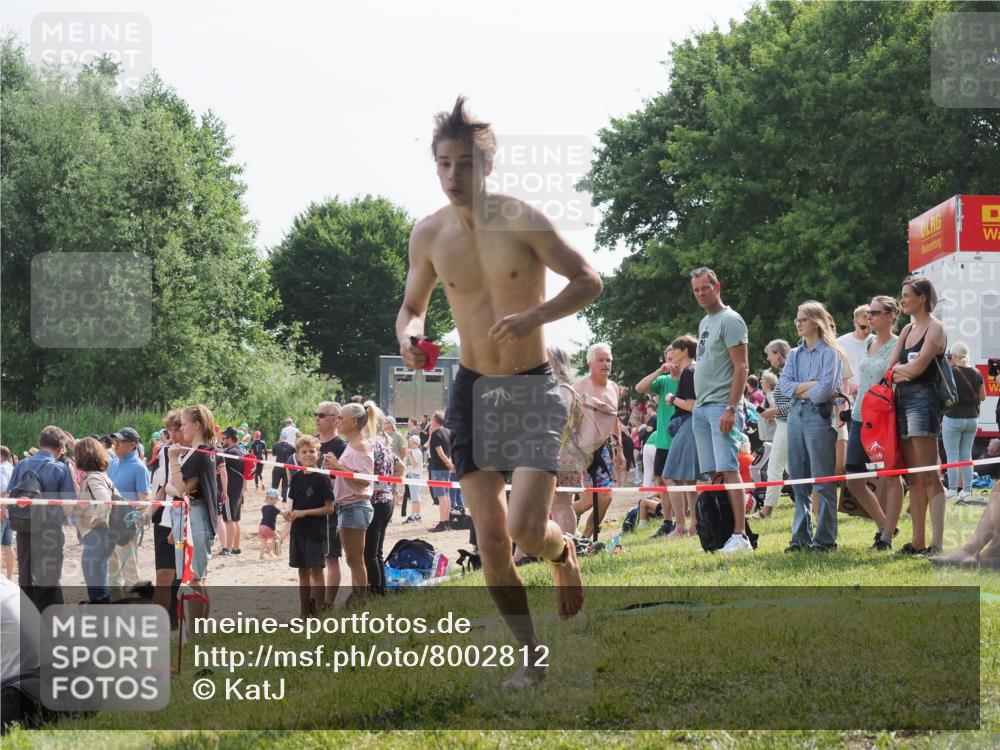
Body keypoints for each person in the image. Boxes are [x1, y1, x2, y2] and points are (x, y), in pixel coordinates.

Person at [396, 96, 600, 689]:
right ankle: (531, 658)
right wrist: (412, 336)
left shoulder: (523, 219)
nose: (452, 175)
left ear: (487, 165)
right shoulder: (429, 234)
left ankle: (563, 557)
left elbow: (590, 280)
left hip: (533, 388)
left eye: (464, 163)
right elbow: (412, 308)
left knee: (526, 530)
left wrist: (534, 314)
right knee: (490, 541)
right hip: (473, 390)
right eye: (443, 164)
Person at [689, 268, 751, 553]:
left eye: (705, 288)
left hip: (721, 406)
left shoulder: (731, 320)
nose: (701, 294)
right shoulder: (704, 322)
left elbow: (741, 366)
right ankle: (724, 531)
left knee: (729, 469)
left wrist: (730, 407)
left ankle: (741, 535)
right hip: (701, 407)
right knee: (712, 473)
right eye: (697, 290)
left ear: (717, 286)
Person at [889, 276, 948, 555]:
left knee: (929, 476)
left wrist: (901, 372)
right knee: (913, 477)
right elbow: (889, 371)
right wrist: (901, 372)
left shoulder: (935, 329)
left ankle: (937, 544)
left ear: (922, 297)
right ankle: (918, 542)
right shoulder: (907, 330)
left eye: (907, 295)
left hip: (924, 402)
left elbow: (916, 369)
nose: (902, 300)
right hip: (902, 402)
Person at [779, 301, 843, 552]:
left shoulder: (831, 352)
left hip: (818, 415)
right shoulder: (794, 354)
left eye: (803, 319)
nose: (798, 323)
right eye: (797, 319)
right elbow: (784, 388)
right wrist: (810, 385)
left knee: (823, 480)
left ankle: (825, 540)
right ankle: (800, 538)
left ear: (816, 322)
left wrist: (801, 389)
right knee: (798, 479)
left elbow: (825, 390)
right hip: (795, 415)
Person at [843, 296, 905, 550]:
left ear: (892, 315)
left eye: (876, 313)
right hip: (859, 417)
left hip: (882, 421)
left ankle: (887, 537)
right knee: (853, 480)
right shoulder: (868, 340)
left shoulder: (897, 345)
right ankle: (884, 524)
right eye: (869, 312)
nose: (870, 317)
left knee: (890, 477)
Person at [4, 426, 75, 611]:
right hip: (49, 530)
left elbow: (9, 496)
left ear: (39, 444)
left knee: (26, 576)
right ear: (61, 446)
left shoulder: (21, 465)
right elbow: (68, 507)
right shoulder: (60, 468)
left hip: (23, 527)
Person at [166, 405, 220, 621]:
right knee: (197, 577)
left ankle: (197, 635)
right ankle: (200, 633)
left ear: (196, 425)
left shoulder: (200, 454)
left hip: (197, 517)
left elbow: (182, 489)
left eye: (184, 424)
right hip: (190, 516)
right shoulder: (198, 452)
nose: (182, 428)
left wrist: (172, 460)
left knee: (194, 578)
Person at [323, 402, 376, 602]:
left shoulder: (361, 444)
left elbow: (364, 479)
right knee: (353, 559)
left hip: (355, 506)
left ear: (353, 422)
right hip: (349, 507)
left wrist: (338, 466)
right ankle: (358, 599)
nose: (337, 421)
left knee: (355, 560)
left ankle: (359, 601)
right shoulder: (354, 444)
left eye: (341, 418)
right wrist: (335, 468)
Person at [573, 343, 626, 539]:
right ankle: (562, 519)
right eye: (601, 360)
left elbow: (613, 419)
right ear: (590, 363)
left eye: (608, 360)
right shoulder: (579, 386)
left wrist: (619, 449)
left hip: (602, 450)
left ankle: (587, 537)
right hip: (578, 450)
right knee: (587, 501)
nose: (606, 364)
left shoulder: (613, 387)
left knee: (605, 497)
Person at [284, 435, 333, 616]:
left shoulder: (322, 478)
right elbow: (292, 505)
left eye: (312, 451)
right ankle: (304, 614)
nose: (308, 455)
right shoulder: (295, 478)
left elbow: (329, 508)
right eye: (304, 452)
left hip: (315, 532)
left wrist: (305, 513)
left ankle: (320, 614)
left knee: (317, 572)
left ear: (318, 453)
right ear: (297, 455)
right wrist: (288, 514)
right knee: (302, 574)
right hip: (298, 531)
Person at [659, 335, 701, 538]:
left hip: (688, 424)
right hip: (692, 426)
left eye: (673, 351)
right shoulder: (696, 370)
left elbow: (691, 405)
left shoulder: (689, 372)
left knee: (669, 476)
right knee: (688, 480)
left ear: (684, 351)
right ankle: (694, 525)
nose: (670, 355)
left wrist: (671, 398)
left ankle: (681, 526)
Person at [634, 346, 679, 528]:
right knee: (661, 480)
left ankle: (682, 521)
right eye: (667, 358)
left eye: (673, 358)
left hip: (680, 437)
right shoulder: (663, 380)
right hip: (663, 440)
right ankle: (667, 521)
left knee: (681, 480)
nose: (671, 362)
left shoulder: (688, 378)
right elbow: (639, 387)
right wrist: (660, 370)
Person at [72, 437, 116, 603]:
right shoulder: (100, 475)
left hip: (97, 536)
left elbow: (105, 502)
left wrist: (93, 520)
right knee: (99, 584)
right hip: (101, 536)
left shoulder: (94, 478)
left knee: (97, 588)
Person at [942, 341, 987, 501]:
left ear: (954, 356)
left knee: (952, 457)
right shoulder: (976, 372)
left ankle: (953, 490)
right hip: (972, 419)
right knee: (967, 456)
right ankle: (967, 491)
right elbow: (982, 397)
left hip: (953, 418)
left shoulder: (952, 372)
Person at [367, 407, 404, 595]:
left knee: (370, 553)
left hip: (375, 501)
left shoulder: (371, 444)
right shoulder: (385, 443)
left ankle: (375, 592)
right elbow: (401, 467)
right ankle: (380, 591)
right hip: (387, 500)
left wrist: (378, 484)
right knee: (377, 552)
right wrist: (387, 482)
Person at [149, 411, 182, 616]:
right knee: (162, 574)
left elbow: (185, 491)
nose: (172, 434)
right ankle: (164, 622)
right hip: (164, 517)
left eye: (177, 429)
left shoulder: (196, 452)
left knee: (182, 576)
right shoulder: (164, 452)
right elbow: (162, 487)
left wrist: (177, 525)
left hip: (184, 518)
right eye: (169, 430)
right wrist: (148, 511)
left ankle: (179, 620)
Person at [753, 340, 792, 519]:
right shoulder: (786, 372)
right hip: (783, 424)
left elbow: (794, 403)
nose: (768, 359)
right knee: (792, 469)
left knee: (775, 466)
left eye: (769, 354)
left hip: (787, 425)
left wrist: (774, 412)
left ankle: (767, 510)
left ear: (778, 353)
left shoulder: (789, 372)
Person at [314, 401, 346, 608]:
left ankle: (327, 603)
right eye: (316, 414)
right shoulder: (312, 444)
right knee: (311, 560)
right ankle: (313, 602)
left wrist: (330, 477)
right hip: (309, 508)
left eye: (322, 415)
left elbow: (345, 479)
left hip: (330, 508)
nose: (317, 418)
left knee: (331, 557)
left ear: (336, 420)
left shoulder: (342, 447)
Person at [218, 428, 248, 556]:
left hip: (229, 492)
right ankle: (236, 547)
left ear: (230, 439)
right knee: (235, 521)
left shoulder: (228, 454)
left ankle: (228, 548)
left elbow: (220, 471)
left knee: (228, 521)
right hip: (239, 491)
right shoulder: (242, 450)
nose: (222, 441)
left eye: (224, 438)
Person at [426, 411, 455, 532]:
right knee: (446, 495)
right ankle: (446, 521)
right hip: (446, 468)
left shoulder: (436, 435)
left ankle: (442, 523)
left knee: (441, 496)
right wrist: (450, 465)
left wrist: (449, 464)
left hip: (438, 467)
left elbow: (440, 453)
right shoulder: (448, 432)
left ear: (434, 421)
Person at [836, 304, 871, 399]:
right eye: (863, 327)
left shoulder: (876, 342)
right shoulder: (840, 343)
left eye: (870, 327)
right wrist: (846, 387)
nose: (867, 331)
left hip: (871, 397)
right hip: (848, 398)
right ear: (855, 322)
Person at [402, 433, 426, 524]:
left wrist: (410, 455)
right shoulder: (415, 451)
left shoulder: (416, 452)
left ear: (416, 443)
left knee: (415, 498)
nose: (410, 445)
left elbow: (414, 464)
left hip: (414, 476)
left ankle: (413, 515)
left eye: (412, 443)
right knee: (416, 497)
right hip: (413, 475)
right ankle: (417, 515)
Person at [0, 446, 14, 580]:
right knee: (8, 546)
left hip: (2, 511)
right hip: (11, 511)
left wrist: (0, 509)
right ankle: (9, 579)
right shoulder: (11, 467)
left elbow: (2, 491)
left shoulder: (1, 468)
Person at [270, 436, 296, 503]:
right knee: (285, 486)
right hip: (286, 468)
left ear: (281, 437)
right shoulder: (291, 447)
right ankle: (284, 503)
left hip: (278, 467)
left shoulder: (276, 445)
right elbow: (293, 456)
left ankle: (271, 501)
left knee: (274, 485)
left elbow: (273, 454)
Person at [259, 489, 282, 558]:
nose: (277, 501)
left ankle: (261, 556)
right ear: (272, 499)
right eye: (277, 499)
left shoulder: (263, 508)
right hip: (268, 527)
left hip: (261, 527)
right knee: (277, 538)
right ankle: (268, 550)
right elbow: (283, 514)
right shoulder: (274, 508)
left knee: (263, 541)